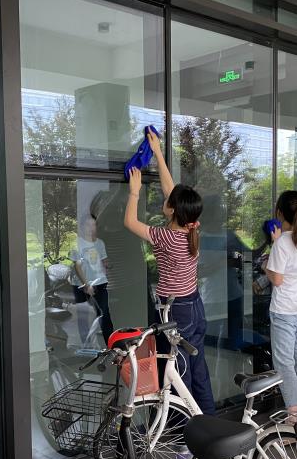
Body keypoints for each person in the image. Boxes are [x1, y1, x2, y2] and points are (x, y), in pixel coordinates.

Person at [123, 130, 216, 415]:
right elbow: (172, 191)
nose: (166, 198)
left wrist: (134, 191)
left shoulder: (166, 237)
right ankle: (210, 423)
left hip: (176, 312)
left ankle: (185, 434)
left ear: (173, 210)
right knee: (198, 371)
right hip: (194, 307)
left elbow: (130, 222)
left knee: (178, 375)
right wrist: (158, 153)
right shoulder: (191, 229)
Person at [265, 190, 297, 418]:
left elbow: (277, 279)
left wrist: (267, 264)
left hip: (284, 310)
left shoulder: (282, 244)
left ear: (280, 213)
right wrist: (278, 242)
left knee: (284, 362)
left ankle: (293, 415)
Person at [71, 214, 114, 345]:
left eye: (93, 225)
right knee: (83, 317)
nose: (91, 228)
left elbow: (104, 260)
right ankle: (87, 346)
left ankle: (111, 346)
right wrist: (86, 284)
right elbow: (77, 266)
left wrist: (108, 265)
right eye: (88, 225)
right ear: (82, 227)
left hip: (100, 283)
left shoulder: (100, 243)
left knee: (104, 314)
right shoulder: (77, 243)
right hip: (81, 285)